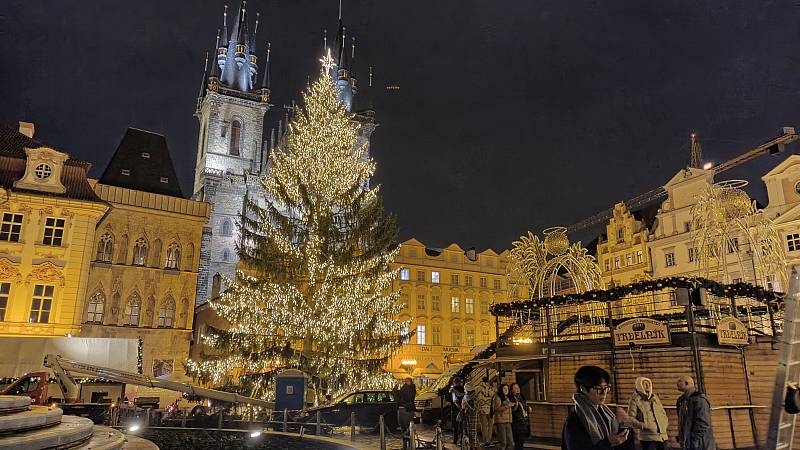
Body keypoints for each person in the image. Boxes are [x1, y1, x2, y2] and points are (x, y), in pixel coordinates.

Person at [561, 365, 633, 450]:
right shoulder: (575, 421)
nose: (604, 393)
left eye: (606, 388)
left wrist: (625, 427)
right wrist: (608, 443)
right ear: (583, 389)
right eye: (598, 388)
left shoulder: (608, 415)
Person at [625, 377, 669, 450]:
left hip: (662, 436)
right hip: (647, 438)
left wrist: (665, 423)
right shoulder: (635, 399)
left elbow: (663, 412)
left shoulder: (655, 397)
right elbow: (630, 418)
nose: (647, 386)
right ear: (640, 386)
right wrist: (643, 426)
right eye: (644, 384)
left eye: (648, 384)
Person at [676, 375, 716, 450]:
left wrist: (693, 439)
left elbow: (703, 423)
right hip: (689, 443)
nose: (677, 383)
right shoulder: (682, 401)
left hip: (700, 444)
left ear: (686, 383)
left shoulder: (699, 400)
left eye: (679, 381)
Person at [492, 384, 516, 450]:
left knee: (511, 442)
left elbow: (510, 408)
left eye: (507, 389)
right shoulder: (497, 397)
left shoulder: (508, 397)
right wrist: (508, 405)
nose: (506, 390)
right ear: (501, 389)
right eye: (504, 388)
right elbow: (497, 408)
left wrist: (515, 405)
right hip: (500, 421)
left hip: (508, 421)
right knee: (503, 442)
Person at [397, 377, 417, 450]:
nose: (406, 382)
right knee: (403, 428)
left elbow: (410, 397)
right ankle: (404, 444)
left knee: (408, 427)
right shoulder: (403, 388)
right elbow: (398, 395)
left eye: (408, 381)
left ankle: (409, 444)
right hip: (401, 409)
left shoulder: (411, 389)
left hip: (408, 410)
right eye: (405, 381)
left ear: (410, 382)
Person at [462, 379, 481, 449]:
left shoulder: (475, 397)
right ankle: (471, 446)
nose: (464, 390)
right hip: (466, 416)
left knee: (472, 433)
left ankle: (474, 447)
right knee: (468, 432)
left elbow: (475, 410)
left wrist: (466, 405)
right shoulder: (466, 396)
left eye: (465, 389)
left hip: (472, 416)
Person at [510, 383, 529, 450]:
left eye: (518, 387)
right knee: (519, 443)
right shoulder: (512, 398)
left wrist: (528, 408)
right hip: (517, 423)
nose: (518, 389)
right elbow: (513, 410)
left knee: (521, 442)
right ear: (512, 390)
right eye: (515, 388)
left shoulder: (521, 397)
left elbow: (525, 406)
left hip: (524, 422)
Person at [477, 376, 494, 445]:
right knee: (490, 425)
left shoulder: (478, 388)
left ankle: (485, 440)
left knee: (484, 425)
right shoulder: (491, 388)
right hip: (490, 408)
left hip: (482, 408)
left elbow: (476, 398)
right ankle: (489, 440)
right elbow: (493, 395)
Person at [450, 377, 466, 445]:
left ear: (454, 383)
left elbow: (455, 401)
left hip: (455, 410)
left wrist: (459, 408)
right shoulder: (464, 389)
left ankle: (455, 441)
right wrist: (462, 408)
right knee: (462, 427)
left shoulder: (453, 390)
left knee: (455, 427)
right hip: (463, 409)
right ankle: (462, 441)